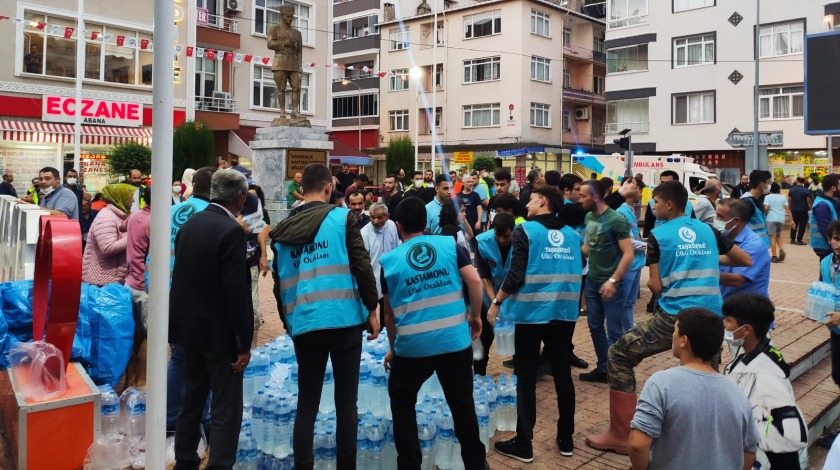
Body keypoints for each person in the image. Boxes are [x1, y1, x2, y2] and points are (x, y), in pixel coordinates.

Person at [586, 181, 751, 455]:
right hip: (712, 318)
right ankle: (708, 439)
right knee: (708, 376)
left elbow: (655, 287)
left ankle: (621, 434)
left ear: (670, 205)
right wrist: (705, 258)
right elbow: (743, 259)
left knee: (618, 355)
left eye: (657, 202)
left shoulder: (658, 236)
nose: (653, 206)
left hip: (676, 318)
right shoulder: (708, 230)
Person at [270, 163, 379, 469]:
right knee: (346, 404)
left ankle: (303, 465)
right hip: (344, 321)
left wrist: (290, 324)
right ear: (330, 187)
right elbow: (361, 266)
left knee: (307, 404)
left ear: (301, 189)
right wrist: (372, 308)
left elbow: (280, 286)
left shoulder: (282, 231)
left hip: (305, 324)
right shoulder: (341, 217)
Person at [381, 197, 487, 470]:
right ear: (424, 223)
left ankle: (410, 463)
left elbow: (389, 315)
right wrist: (475, 316)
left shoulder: (390, 261)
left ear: (398, 225)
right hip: (454, 342)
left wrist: (394, 348)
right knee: (462, 404)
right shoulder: (448, 245)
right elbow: (475, 281)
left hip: (413, 348)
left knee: (403, 402)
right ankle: (475, 463)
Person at [488, 185, 583, 461]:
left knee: (526, 377)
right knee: (562, 374)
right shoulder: (572, 236)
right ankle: (566, 439)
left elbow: (516, 273)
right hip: (563, 313)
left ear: (543, 201)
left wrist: (497, 302)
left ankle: (524, 443)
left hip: (531, 315)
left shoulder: (526, 230)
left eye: (529, 200)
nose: (525, 205)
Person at [170, 170, 253, 469]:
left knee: (192, 398)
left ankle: (184, 459)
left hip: (188, 330)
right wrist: (242, 343)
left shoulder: (189, 224)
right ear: (240, 198)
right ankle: (220, 463)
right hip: (219, 335)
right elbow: (236, 292)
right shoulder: (230, 231)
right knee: (225, 407)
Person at [628, 308, 759, 470]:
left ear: (683, 340)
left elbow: (637, 444)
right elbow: (749, 452)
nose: (673, 336)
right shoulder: (736, 390)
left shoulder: (661, 383)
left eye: (675, 331)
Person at [722, 294, 808, 469]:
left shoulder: (766, 377)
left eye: (728, 321)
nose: (724, 325)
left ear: (746, 330)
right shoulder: (747, 354)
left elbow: (788, 434)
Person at [165, 167, 218, 432]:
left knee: (177, 358)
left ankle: (170, 416)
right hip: (195, 297)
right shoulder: (210, 216)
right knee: (206, 359)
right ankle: (203, 418)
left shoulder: (173, 212)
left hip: (168, 291)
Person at [578, 179, 635, 384]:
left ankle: (617, 371)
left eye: (583, 195)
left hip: (612, 284)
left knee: (614, 331)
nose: (579, 199)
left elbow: (628, 254)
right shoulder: (588, 217)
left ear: (595, 197)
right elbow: (588, 247)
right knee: (594, 327)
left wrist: (613, 280)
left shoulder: (616, 220)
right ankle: (604, 369)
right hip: (593, 282)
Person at [473, 213, 515, 375]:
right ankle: (479, 375)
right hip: (489, 297)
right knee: (484, 336)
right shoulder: (483, 242)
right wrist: (494, 301)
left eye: (507, 236)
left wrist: (501, 299)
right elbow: (483, 275)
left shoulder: (522, 239)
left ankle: (520, 378)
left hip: (514, 296)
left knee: (518, 340)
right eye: (498, 235)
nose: (502, 240)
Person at [124, 184, 152, 387]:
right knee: (150, 337)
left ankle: (129, 382)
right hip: (145, 285)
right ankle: (142, 384)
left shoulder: (135, 217)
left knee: (133, 337)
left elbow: (121, 227)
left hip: (129, 282)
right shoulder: (156, 222)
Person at [715, 199, 771, 299]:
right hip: (726, 305)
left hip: (747, 309)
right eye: (716, 215)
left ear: (736, 221)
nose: (716, 220)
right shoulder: (724, 238)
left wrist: (704, 276)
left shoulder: (754, 245)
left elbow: (736, 280)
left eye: (720, 216)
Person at [82, 183, 134, 286]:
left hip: (111, 282)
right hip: (101, 284)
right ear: (120, 197)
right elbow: (107, 248)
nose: (133, 200)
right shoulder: (106, 217)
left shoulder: (119, 215)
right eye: (130, 196)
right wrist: (133, 235)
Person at [614, 177, 646, 333]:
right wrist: (649, 245)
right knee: (622, 303)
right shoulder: (621, 213)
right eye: (640, 189)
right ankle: (619, 335)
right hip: (628, 265)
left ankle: (629, 333)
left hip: (637, 263)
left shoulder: (631, 210)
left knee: (629, 303)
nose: (641, 193)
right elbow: (628, 242)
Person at [361, 202, 401, 326]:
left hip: (392, 274)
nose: (375, 221)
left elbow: (396, 246)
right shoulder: (364, 233)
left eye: (379, 217)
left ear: (387, 216)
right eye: (372, 217)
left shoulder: (392, 225)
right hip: (374, 278)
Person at [241, 191, 270, 348]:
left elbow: (264, 231)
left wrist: (263, 256)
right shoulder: (228, 214)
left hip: (250, 262)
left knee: (252, 305)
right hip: (233, 265)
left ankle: (252, 347)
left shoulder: (257, 215)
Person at [267, 5, 304, 119]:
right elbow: (270, 44)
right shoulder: (275, 29)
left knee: (296, 88)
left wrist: (300, 65)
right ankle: (282, 111)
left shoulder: (297, 33)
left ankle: (294, 111)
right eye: (288, 16)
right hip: (280, 62)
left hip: (293, 63)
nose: (290, 19)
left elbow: (299, 51)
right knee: (281, 89)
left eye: (291, 17)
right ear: (282, 16)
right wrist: (285, 43)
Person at [819, 220, 840, 388]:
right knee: (837, 375)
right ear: (829, 239)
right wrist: (815, 309)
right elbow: (823, 289)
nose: (839, 244)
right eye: (836, 238)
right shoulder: (825, 262)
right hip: (836, 329)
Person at [642, 170, 692, 236]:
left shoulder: (688, 204)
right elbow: (648, 226)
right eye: (662, 182)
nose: (663, 185)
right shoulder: (652, 203)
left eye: (667, 183)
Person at [810, 173, 840, 261]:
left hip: (828, 244)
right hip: (824, 246)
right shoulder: (822, 204)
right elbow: (825, 228)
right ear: (833, 188)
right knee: (826, 270)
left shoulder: (828, 201)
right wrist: (834, 243)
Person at [740, 169, 772, 249]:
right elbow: (739, 226)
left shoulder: (757, 200)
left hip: (760, 246)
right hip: (751, 247)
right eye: (768, 183)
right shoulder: (746, 202)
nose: (769, 186)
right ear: (761, 184)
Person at [763, 182, 790, 263]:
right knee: (778, 235)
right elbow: (787, 209)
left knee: (772, 237)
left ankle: (774, 256)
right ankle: (781, 249)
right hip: (781, 219)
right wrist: (791, 220)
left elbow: (766, 208)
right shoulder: (783, 198)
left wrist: (765, 212)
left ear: (771, 189)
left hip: (771, 218)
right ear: (779, 190)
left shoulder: (768, 197)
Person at [788, 177, 811, 245]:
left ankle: (792, 239)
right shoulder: (806, 190)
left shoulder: (791, 190)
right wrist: (810, 208)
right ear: (804, 182)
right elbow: (808, 201)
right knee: (802, 225)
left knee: (793, 224)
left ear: (797, 181)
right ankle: (799, 239)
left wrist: (790, 208)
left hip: (794, 210)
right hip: (803, 210)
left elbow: (789, 200)